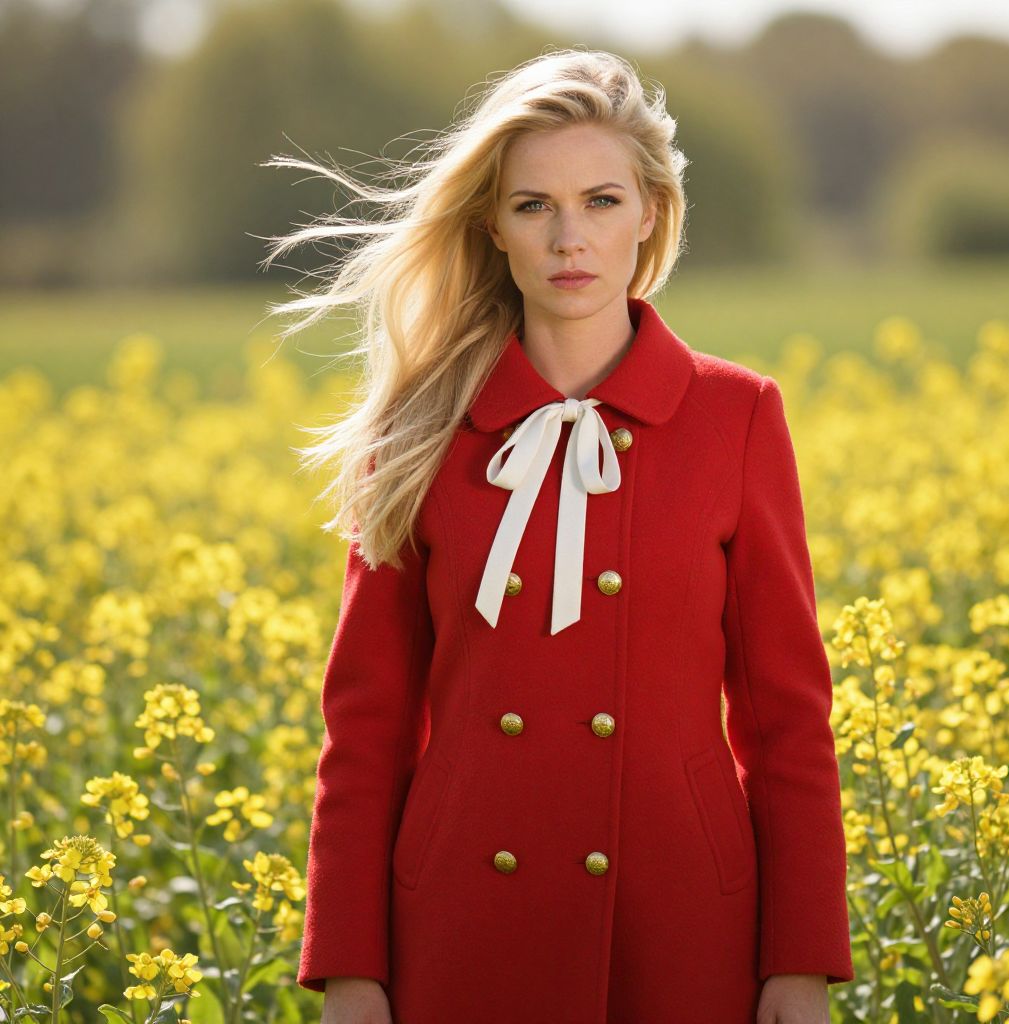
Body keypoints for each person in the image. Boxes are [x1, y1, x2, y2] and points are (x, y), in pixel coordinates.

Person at [261, 47, 854, 1024]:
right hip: (457, 929)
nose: (568, 237)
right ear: (491, 225)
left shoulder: (735, 417)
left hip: (681, 930)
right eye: (533, 205)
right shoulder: (415, 430)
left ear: (650, 213)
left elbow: (786, 719)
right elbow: (364, 730)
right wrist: (349, 968)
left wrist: (799, 960)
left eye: (601, 201)